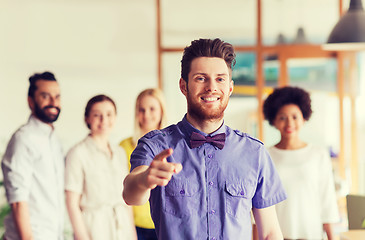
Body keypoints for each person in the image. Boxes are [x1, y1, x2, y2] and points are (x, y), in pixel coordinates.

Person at [123, 38, 287, 240]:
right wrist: (144, 179)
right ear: (184, 86)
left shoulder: (255, 153)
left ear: (230, 88)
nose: (211, 87)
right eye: (201, 78)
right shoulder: (154, 145)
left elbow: (270, 232)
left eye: (220, 79)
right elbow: (131, 194)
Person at [263, 86, 339, 240]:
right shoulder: (265, 156)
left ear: (304, 118)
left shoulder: (318, 155)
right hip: (278, 236)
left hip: (312, 235)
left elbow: (327, 202)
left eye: (295, 117)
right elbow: (261, 205)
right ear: (274, 121)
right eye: (283, 117)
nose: (289, 123)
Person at [1, 71, 64, 240]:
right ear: (30, 101)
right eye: (45, 96)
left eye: (57, 96)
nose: (53, 102)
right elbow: (17, 201)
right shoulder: (23, 139)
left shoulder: (55, 141)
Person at [65, 94, 137, 240]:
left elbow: (126, 198)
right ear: (87, 118)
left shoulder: (119, 152)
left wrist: (133, 234)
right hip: (95, 229)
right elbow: (72, 203)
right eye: (97, 115)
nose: (104, 120)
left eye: (109, 114)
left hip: (123, 229)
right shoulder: (77, 153)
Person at [120, 88, 166, 240]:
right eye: (142, 109)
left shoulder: (173, 146)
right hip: (136, 227)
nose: (146, 115)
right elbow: (122, 190)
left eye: (152, 109)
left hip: (166, 225)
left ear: (161, 111)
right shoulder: (124, 147)